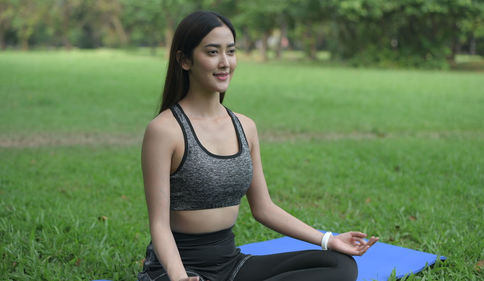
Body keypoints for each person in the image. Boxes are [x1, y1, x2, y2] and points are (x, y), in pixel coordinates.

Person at [138, 11, 379, 281]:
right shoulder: (164, 130)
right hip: (178, 270)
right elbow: (159, 224)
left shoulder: (245, 127)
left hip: (230, 265)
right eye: (212, 52)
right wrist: (179, 277)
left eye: (230, 51)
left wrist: (328, 240)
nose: (224, 62)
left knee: (340, 265)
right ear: (184, 60)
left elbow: (263, 208)